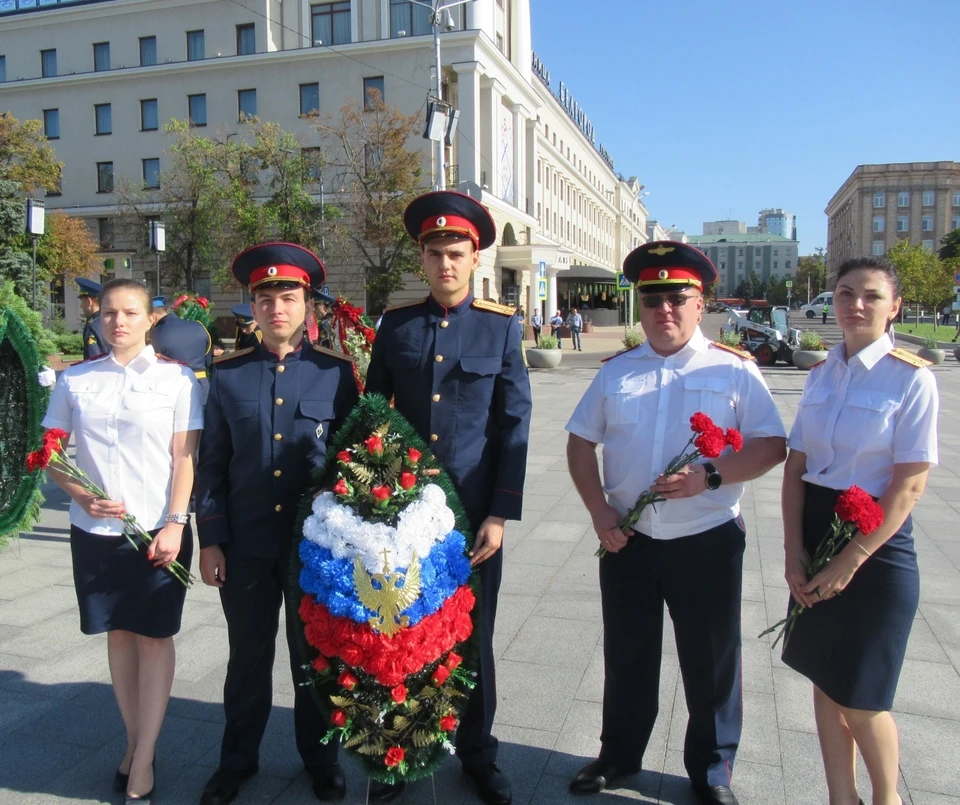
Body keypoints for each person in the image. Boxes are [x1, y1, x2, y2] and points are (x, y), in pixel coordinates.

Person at [564, 241, 787, 805]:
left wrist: (711, 476)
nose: (665, 309)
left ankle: (712, 772)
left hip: (705, 540)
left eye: (678, 298)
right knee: (628, 653)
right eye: (653, 298)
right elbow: (579, 442)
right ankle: (618, 756)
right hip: (628, 539)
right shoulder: (617, 371)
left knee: (710, 660)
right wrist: (599, 512)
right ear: (639, 305)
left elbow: (772, 445)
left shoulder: (733, 369)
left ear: (700, 302)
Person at [364, 190, 532, 805]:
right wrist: (375, 504)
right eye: (434, 254)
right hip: (405, 515)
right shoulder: (398, 326)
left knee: (473, 639)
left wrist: (499, 513)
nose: (445, 264)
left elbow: (515, 423)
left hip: (472, 519)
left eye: (455, 252)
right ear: (422, 259)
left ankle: (479, 755)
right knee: (401, 631)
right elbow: (374, 414)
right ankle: (401, 749)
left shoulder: (501, 326)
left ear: (475, 255)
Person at [195, 243, 360, 805]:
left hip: (314, 548)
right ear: (253, 306)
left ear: (307, 303)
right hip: (245, 544)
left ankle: (322, 761)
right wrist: (210, 539)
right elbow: (211, 463)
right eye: (264, 298)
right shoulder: (228, 375)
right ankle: (236, 761)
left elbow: (352, 461)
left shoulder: (336, 375)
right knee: (247, 659)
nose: (276, 307)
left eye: (287, 296)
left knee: (315, 656)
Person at [779, 256, 939, 805]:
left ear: (894, 306)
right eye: (845, 293)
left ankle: (887, 799)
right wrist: (793, 551)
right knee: (825, 680)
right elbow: (796, 467)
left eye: (871, 295)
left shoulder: (912, 379)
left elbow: (909, 486)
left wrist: (850, 559)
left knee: (864, 695)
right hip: (817, 527)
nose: (856, 305)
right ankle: (840, 798)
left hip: (877, 545)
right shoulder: (822, 373)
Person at [42, 278, 202, 803]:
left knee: (154, 637)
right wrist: (80, 495)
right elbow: (53, 453)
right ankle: (134, 742)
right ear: (98, 318)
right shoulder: (76, 381)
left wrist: (177, 522)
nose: (118, 322)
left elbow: (185, 458)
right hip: (95, 533)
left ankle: (145, 757)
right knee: (117, 636)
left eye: (129, 312)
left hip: (158, 530)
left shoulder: (176, 381)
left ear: (151, 317)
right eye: (109, 313)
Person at [149, 296, 213, 405]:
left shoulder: (154, 335)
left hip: (171, 389)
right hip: (202, 388)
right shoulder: (199, 326)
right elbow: (208, 360)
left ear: (152, 316)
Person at [77, 277, 106, 359]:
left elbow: (92, 359)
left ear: (89, 302)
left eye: (82, 302)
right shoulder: (111, 321)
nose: (81, 306)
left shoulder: (93, 326)